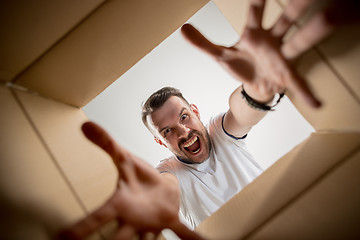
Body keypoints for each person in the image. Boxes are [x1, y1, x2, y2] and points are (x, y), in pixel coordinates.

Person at [59, 0, 359, 239]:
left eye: (185, 117)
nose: (184, 131)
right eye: (168, 131)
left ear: (197, 112)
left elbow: (241, 111)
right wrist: (152, 198)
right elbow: (165, 187)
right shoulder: (169, 171)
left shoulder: (220, 133)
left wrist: (259, 89)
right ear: (159, 141)